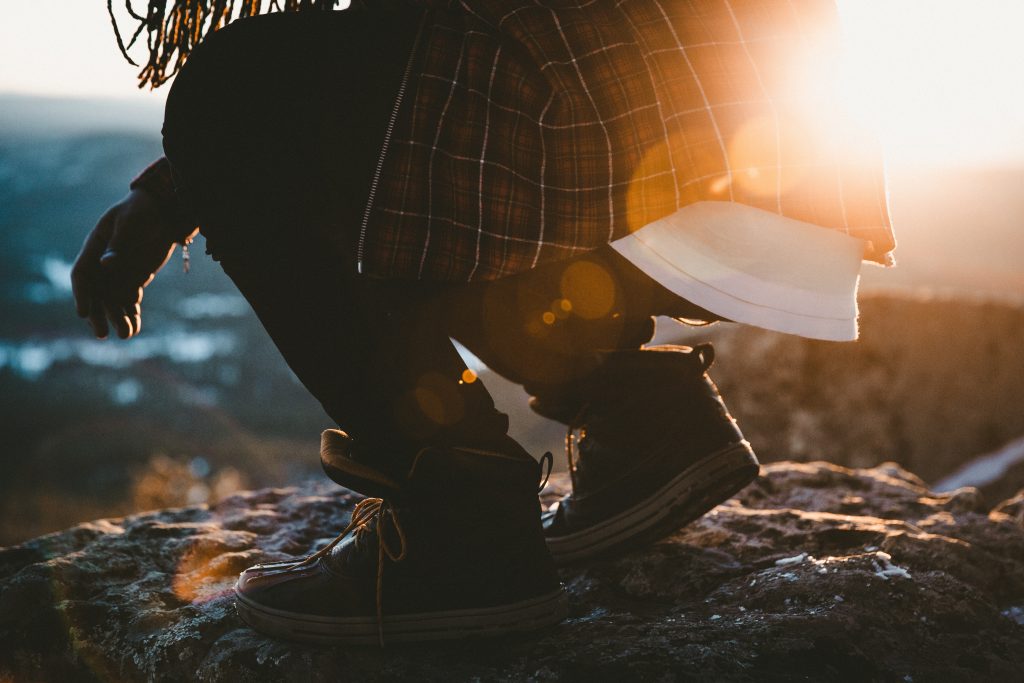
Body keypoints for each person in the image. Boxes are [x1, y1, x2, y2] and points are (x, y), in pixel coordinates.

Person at [72, 0, 894, 645]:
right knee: (401, 157)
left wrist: (202, 165)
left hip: (650, 133)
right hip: (762, 152)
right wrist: (176, 191)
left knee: (235, 92)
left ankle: (457, 525)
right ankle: (644, 419)